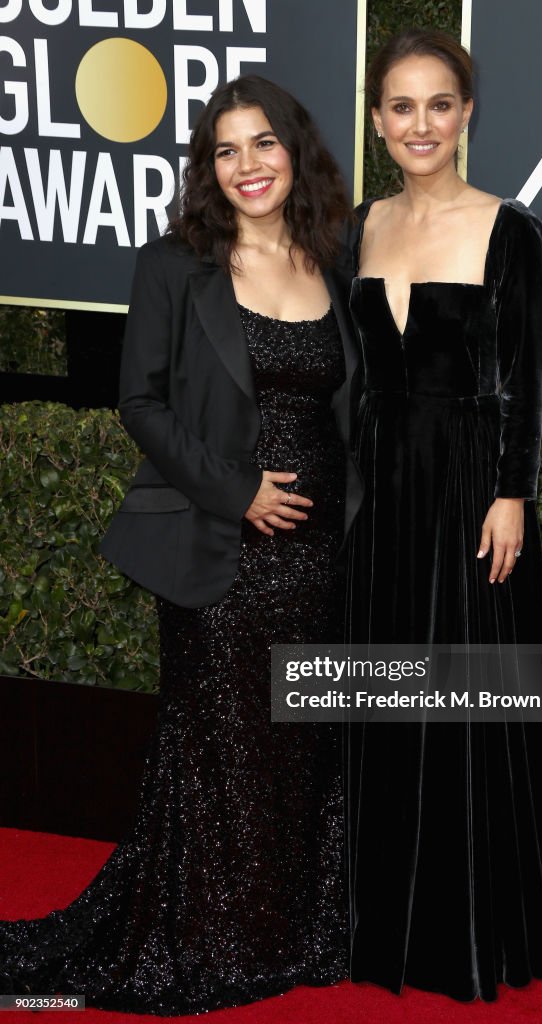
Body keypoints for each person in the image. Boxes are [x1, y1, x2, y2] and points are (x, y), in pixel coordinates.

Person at [0, 75, 362, 1014]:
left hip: (319, 551)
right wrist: (236, 489)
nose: (247, 165)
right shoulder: (176, 264)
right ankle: (214, 933)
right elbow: (141, 401)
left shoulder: (333, 256)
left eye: (263, 144)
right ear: (208, 168)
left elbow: (352, 404)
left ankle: (293, 925)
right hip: (218, 544)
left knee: (300, 741)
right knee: (220, 746)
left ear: (296, 152)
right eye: (225, 150)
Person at [344, 30, 542, 1002]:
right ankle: (377, 922)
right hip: (378, 491)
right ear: (377, 118)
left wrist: (511, 491)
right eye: (399, 105)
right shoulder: (357, 226)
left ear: (465, 113)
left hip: (472, 489)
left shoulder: (508, 230)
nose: (418, 123)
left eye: (438, 103)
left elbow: (525, 378)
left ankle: (468, 931)